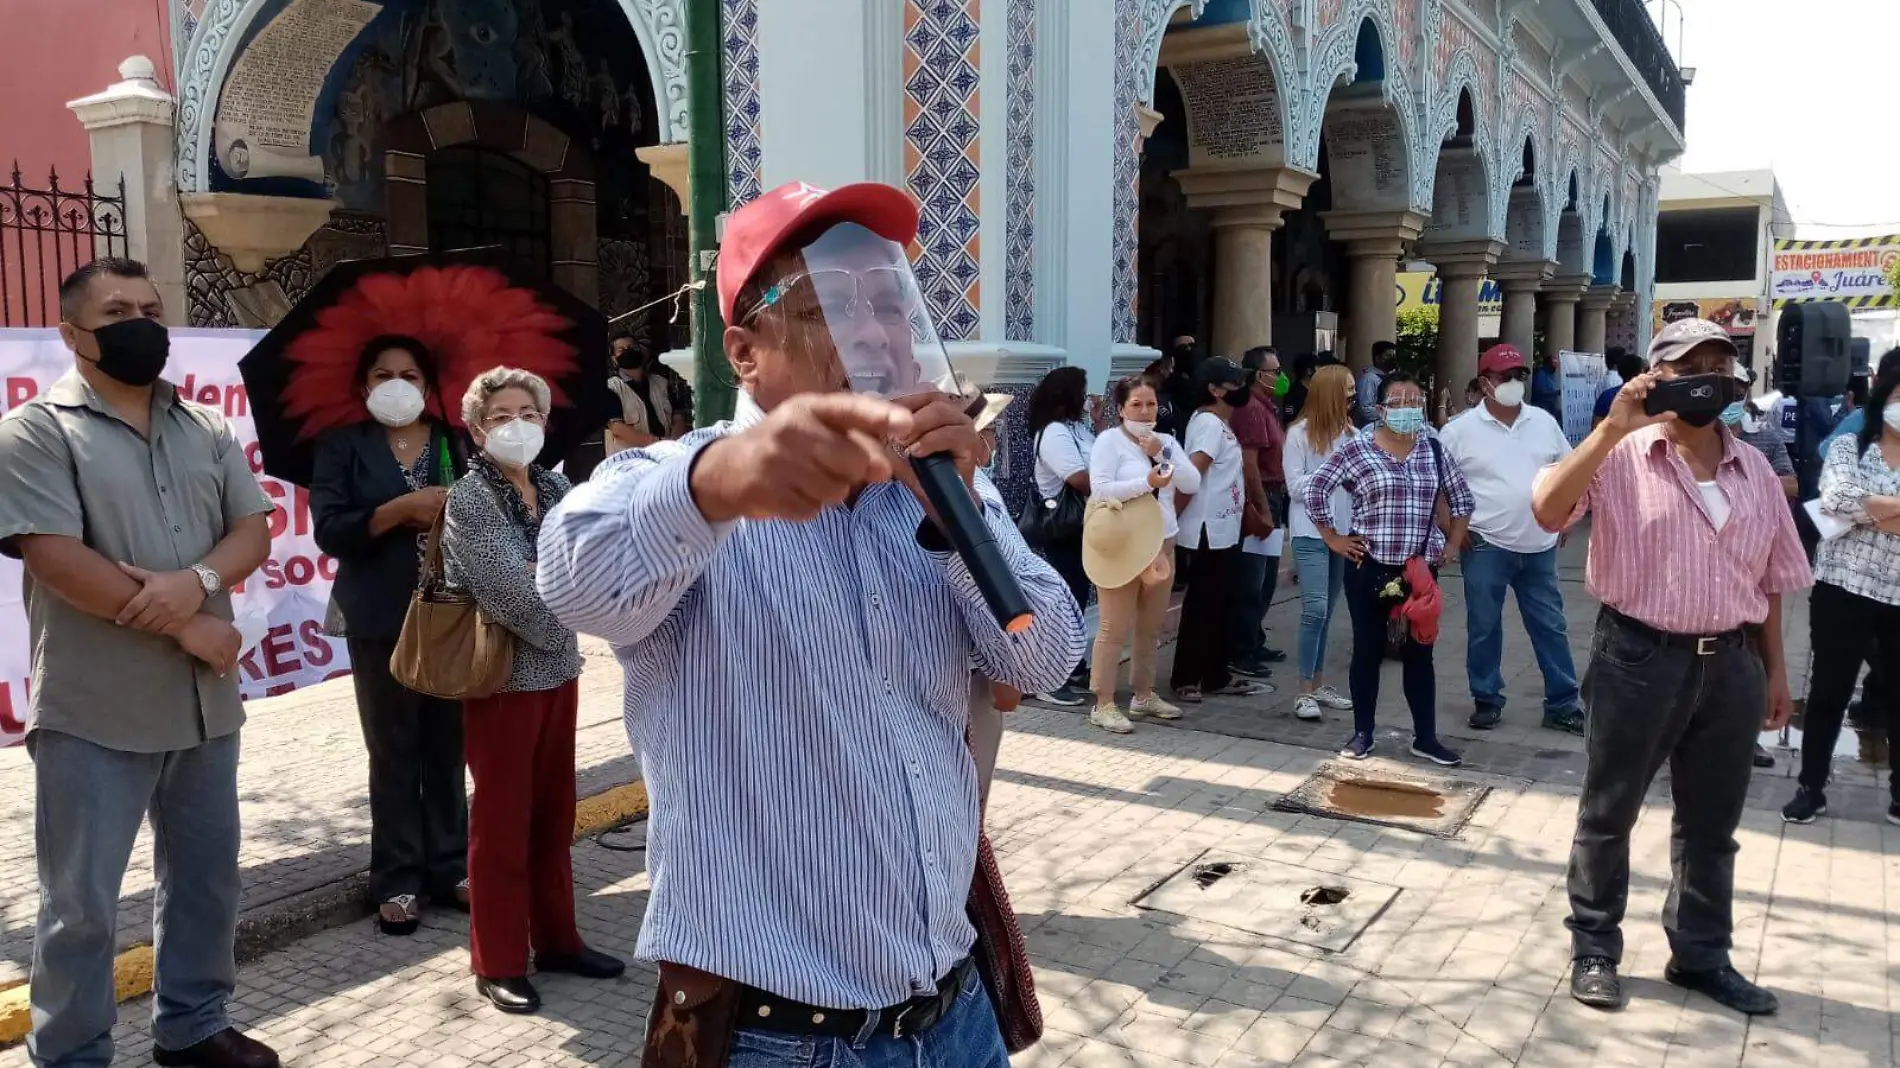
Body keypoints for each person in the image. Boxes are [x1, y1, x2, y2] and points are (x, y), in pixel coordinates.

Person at [536, 180, 1084, 1068]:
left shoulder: (945, 486)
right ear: (745, 351)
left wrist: (956, 522)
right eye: (832, 301)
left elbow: (1052, 654)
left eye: (891, 298)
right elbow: (572, 576)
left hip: (954, 1015)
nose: (877, 328)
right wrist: (723, 482)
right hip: (779, 1038)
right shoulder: (688, 487)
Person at [0, 259, 279, 1068]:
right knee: (80, 905)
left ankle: (193, 1026)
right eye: (118, 309)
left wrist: (194, 584)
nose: (141, 322)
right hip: (95, 711)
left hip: (202, 708)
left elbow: (251, 534)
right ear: (71, 333)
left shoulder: (205, 428)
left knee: (205, 880)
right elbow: (56, 558)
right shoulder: (35, 433)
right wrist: (189, 626)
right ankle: (74, 1053)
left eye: (152, 308)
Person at [1530, 317, 1810, 1016]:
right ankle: (1594, 947)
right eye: (1692, 365)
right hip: (1637, 657)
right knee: (1609, 812)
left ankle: (1701, 956)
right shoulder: (1620, 457)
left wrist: (1775, 674)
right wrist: (1608, 430)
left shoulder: (1755, 473)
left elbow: (1769, 584)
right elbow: (1545, 511)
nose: (1709, 376)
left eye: (1721, 364)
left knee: (1712, 824)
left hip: (1733, 665)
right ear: (1658, 376)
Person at [440, 368, 626, 1014]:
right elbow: (510, 592)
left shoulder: (557, 484)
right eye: (501, 415)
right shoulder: (469, 498)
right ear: (476, 427)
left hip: (559, 672)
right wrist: (571, 598)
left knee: (554, 814)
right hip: (502, 681)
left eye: (528, 411)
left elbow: (593, 562)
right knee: (502, 821)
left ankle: (558, 939)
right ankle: (497, 959)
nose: (517, 424)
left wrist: (564, 586)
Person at [310, 335, 469, 938]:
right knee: (393, 747)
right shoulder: (343, 447)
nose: (397, 383)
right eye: (382, 374)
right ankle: (397, 876)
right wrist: (398, 510)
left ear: (429, 386)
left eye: (409, 373)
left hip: (452, 613)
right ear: (363, 386)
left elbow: (486, 518)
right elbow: (331, 530)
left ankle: (451, 865)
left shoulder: (456, 441)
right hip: (378, 617)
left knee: (447, 743)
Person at [1303, 370, 1474, 766]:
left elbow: (1462, 500)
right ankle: (1363, 733)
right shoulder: (1358, 449)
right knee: (1368, 650)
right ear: (1380, 409)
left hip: (1418, 573)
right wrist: (1333, 538)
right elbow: (1316, 488)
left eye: (1416, 402)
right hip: (1369, 566)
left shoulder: (1433, 449)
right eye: (1399, 402)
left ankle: (1426, 738)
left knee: (1420, 654)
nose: (1409, 409)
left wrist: (1450, 546)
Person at [1780, 348, 1900, 827]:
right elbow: (1835, 499)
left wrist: (1865, 514)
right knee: (1829, 691)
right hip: (1841, 590)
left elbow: (1851, 508)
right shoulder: (1853, 444)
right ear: (1882, 395)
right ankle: (1811, 787)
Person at [1440, 345, 1584, 735]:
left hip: (1539, 545)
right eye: (1506, 377)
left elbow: (1567, 471)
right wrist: (1451, 530)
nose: (1515, 383)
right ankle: (1486, 698)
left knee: (1550, 625)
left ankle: (1563, 702)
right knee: (1484, 626)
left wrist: (1567, 514)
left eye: (1520, 375)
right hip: (1486, 543)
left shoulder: (1543, 422)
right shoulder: (1458, 431)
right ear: (1485, 383)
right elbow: (1437, 484)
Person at [1085, 374, 1201, 733]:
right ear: (1120, 409)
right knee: (1112, 626)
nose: (1145, 410)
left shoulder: (1166, 441)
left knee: (1151, 626)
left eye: (1150, 403)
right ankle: (1103, 702)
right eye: (1136, 404)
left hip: (1161, 541)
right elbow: (1101, 490)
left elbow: (1191, 482)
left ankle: (1143, 694)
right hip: (1122, 544)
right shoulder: (1109, 441)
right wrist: (1145, 483)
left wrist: (1162, 454)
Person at [1172, 358, 1272, 704]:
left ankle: (1214, 674)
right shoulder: (1210, 425)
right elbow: (1191, 474)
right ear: (1214, 390)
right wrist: (1168, 517)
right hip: (1206, 529)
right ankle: (1187, 677)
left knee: (1220, 603)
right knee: (1203, 605)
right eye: (1232, 383)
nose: (1240, 388)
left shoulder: (1218, 423)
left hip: (1223, 528)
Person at [1282, 364, 1357, 722]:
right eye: (1348, 389)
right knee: (1315, 610)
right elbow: (1295, 487)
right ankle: (1302, 692)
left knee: (1327, 613)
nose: (1353, 396)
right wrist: (1333, 473)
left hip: (1343, 534)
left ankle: (1319, 684)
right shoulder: (1298, 434)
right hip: (1310, 532)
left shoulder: (1351, 435)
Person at [1026, 365, 1097, 706]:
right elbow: (1079, 479)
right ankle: (1049, 677)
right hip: (1063, 527)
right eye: (1082, 391)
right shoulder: (1054, 432)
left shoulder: (1078, 428)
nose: (1086, 397)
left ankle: (1071, 666)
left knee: (1078, 596)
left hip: (1083, 526)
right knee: (1065, 599)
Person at [1230, 346, 1290, 678]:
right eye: (1274, 371)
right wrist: (1262, 508)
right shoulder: (1252, 409)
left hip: (1273, 494)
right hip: (1262, 495)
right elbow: (1249, 464)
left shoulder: (1266, 406)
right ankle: (1241, 648)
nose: (1280, 377)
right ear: (1257, 375)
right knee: (1253, 578)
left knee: (1265, 576)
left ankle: (1253, 637)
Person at [607, 332, 695, 451]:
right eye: (621, 350)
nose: (628, 351)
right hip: (630, 460)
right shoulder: (612, 387)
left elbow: (678, 415)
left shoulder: (661, 383)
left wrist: (674, 442)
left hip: (668, 454)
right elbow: (617, 428)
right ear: (614, 358)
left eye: (632, 347)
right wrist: (656, 443)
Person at [1592, 351, 1645, 429]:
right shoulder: (1648, 397)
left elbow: (1595, 428)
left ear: (1619, 372)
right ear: (1641, 372)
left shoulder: (1605, 396)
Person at [1354, 341, 1397, 427]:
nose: (1392, 359)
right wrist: (1390, 413)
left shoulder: (1392, 377)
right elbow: (1365, 409)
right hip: (1371, 429)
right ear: (1377, 358)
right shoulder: (1369, 379)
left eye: (1393, 356)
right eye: (1388, 356)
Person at [1531, 350, 1564, 422]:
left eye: (1556, 365)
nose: (1555, 368)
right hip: (1542, 406)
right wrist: (1556, 392)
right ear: (1547, 364)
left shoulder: (1551, 375)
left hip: (1551, 407)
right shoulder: (1541, 374)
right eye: (1553, 365)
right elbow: (1540, 392)